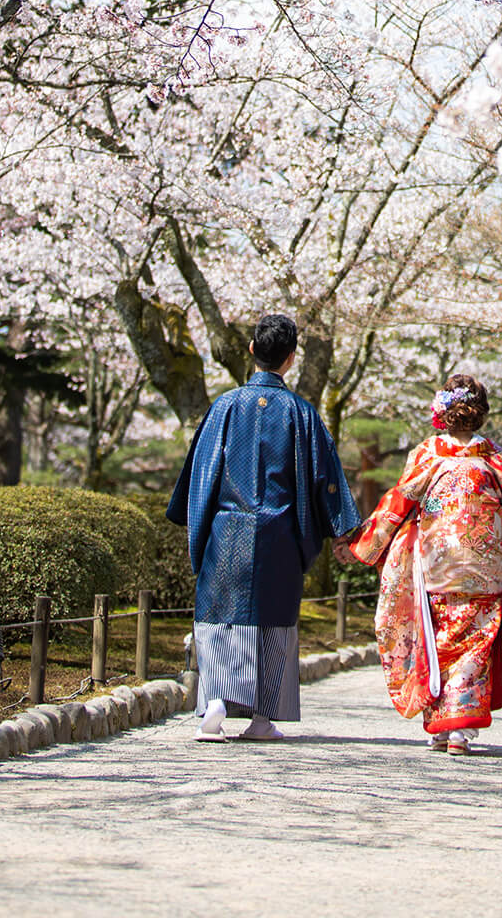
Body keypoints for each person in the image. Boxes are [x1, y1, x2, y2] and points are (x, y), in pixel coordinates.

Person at [167, 312, 360, 741]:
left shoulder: (224, 407)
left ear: (252, 350)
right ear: (291, 359)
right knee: (273, 619)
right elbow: (324, 479)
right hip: (279, 534)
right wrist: (343, 530)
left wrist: (194, 518)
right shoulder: (301, 413)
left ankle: (215, 702)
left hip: (226, 532)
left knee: (220, 617)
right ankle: (260, 718)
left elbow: (200, 473)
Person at [337, 372, 502, 755]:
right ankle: (459, 730)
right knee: (476, 643)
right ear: (480, 414)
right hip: (485, 566)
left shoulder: (426, 455)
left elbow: (399, 503)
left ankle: (440, 724)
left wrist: (366, 542)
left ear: (443, 412)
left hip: (437, 564)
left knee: (438, 641)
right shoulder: (494, 457)